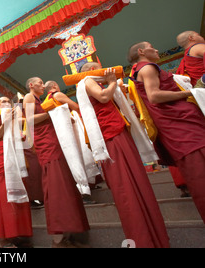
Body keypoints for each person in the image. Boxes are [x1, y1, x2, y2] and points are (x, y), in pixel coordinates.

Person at [79, 62, 170, 248]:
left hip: (119, 131)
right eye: (100, 67)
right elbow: (103, 97)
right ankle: (143, 239)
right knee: (126, 187)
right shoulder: (88, 81)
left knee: (136, 182)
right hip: (111, 136)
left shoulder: (98, 82)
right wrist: (112, 82)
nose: (106, 69)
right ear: (90, 70)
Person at [128, 41, 205, 223]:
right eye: (151, 47)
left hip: (179, 125)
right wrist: (191, 93)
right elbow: (154, 95)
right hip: (182, 126)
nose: (156, 49)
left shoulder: (139, 70)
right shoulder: (147, 68)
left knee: (198, 175)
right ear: (141, 51)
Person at [23, 77, 90, 248]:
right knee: (56, 187)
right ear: (31, 85)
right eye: (39, 82)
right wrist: (53, 112)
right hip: (46, 145)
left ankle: (68, 237)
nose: (42, 85)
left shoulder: (42, 100)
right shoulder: (29, 97)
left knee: (66, 186)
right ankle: (58, 240)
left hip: (55, 140)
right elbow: (30, 120)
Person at [0, 96, 33, 248]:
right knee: (4, 196)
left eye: (9, 101)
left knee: (17, 195)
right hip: (3, 158)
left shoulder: (15, 118)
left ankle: (15, 234)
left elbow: (22, 136)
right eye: (3, 102)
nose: (7, 103)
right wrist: (8, 119)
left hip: (16, 156)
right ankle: (3, 239)